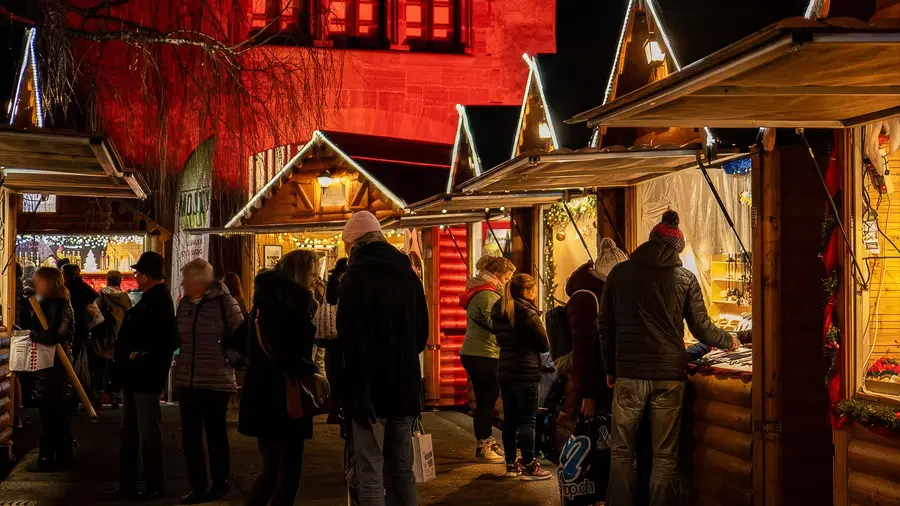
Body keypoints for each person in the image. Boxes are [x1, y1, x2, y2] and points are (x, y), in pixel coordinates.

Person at [600, 210, 740, 506]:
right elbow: (701, 327)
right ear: (678, 248)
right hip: (668, 376)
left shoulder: (619, 273)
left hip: (629, 373)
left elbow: (606, 326)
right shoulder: (685, 278)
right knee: (665, 456)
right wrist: (729, 340)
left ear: (649, 241)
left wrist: (610, 369)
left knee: (622, 452)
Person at [337, 211, 429, 506]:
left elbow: (349, 341)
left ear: (354, 244)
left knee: (370, 469)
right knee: (402, 470)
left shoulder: (354, 277)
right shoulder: (407, 273)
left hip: (368, 390)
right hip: (404, 385)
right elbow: (420, 335)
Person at [238, 251, 320, 506]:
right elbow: (294, 355)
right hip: (286, 394)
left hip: (261, 394)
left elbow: (240, 340)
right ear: (301, 274)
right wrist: (312, 371)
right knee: (287, 468)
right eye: (312, 273)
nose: (315, 279)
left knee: (271, 465)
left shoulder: (261, 305)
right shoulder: (295, 308)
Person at [174, 259, 244, 504]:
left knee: (215, 434)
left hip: (216, 379)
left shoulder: (225, 302)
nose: (183, 282)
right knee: (190, 437)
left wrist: (230, 355)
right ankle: (198, 485)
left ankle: (220, 482)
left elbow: (241, 335)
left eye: (188, 278)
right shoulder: (184, 304)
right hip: (188, 379)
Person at [112, 251, 177, 500]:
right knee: (133, 429)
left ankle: (152, 484)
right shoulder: (154, 298)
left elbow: (163, 341)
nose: (135, 276)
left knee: (146, 430)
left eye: (138, 272)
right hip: (136, 374)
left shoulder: (158, 300)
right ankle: (132, 482)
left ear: (148, 276)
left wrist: (137, 356)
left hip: (144, 376)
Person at [492, 273, 552, 481]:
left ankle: (511, 464)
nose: (535, 294)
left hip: (505, 370)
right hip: (525, 370)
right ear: (525, 291)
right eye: (533, 290)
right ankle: (529, 465)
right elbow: (544, 343)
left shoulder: (499, 308)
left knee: (510, 420)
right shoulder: (527, 313)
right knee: (528, 420)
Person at [458, 254, 515, 463]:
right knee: (486, 401)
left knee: (487, 400)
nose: (507, 281)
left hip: (479, 352)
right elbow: (497, 324)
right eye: (507, 277)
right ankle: (483, 444)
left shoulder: (482, 291)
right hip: (482, 353)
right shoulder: (488, 296)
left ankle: (488, 440)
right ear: (498, 275)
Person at [571, 238, 628, 418]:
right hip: (599, 383)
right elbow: (583, 349)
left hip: (610, 379)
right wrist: (588, 392)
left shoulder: (608, 294)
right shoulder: (587, 299)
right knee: (601, 433)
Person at [25, 267, 75, 472]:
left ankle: (50, 458)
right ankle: (59, 456)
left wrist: (35, 335)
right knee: (53, 413)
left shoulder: (60, 305)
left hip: (55, 365)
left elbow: (55, 335)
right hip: (50, 365)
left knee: (51, 413)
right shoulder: (53, 303)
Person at [93, 270, 133, 408]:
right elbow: (130, 314)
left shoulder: (102, 294)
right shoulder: (125, 297)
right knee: (115, 368)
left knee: (101, 366)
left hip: (103, 336)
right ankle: (115, 397)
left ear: (107, 279)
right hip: (119, 336)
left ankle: (99, 395)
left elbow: (95, 313)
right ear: (120, 280)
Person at [62, 263, 99, 395]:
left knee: (71, 364)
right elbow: (93, 295)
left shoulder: (69, 289)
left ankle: (82, 394)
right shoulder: (81, 287)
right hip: (82, 328)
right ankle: (84, 394)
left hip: (75, 329)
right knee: (77, 362)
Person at [319, 257, 347, 424]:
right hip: (339, 334)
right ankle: (336, 409)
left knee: (333, 372)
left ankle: (334, 409)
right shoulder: (341, 284)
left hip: (331, 336)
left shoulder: (331, 282)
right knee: (340, 373)